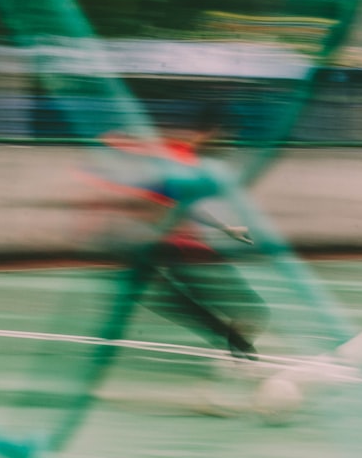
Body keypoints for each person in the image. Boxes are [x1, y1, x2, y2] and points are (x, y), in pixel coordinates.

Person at [77, 110, 269, 361]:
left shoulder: (182, 159)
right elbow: (158, 197)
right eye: (223, 138)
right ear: (208, 134)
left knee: (169, 298)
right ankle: (236, 345)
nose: (226, 145)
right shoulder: (177, 158)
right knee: (234, 306)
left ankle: (234, 343)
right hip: (160, 244)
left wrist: (225, 228)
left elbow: (175, 202)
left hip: (159, 244)